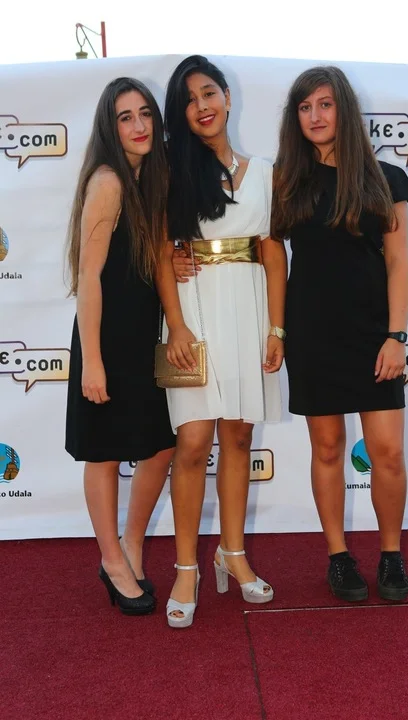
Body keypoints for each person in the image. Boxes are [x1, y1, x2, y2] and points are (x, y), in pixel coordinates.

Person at [272, 66, 408, 602]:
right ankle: (337, 557)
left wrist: (396, 335)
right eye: (305, 107)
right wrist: (277, 329)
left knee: (389, 452)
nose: (315, 116)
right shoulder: (286, 181)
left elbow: (398, 263)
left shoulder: (385, 179)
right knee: (328, 447)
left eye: (325, 104)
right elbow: (270, 258)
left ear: (344, 110)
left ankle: (391, 555)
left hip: (373, 333)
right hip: (312, 332)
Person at [159, 55, 287, 628]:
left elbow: (273, 253)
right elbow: (161, 252)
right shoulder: (172, 172)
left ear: (228, 98)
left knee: (238, 436)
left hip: (251, 310)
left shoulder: (265, 173)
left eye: (209, 92)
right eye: (189, 100)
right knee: (192, 443)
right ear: (181, 114)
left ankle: (231, 555)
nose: (202, 106)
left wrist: (277, 328)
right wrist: (177, 326)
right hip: (193, 313)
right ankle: (186, 567)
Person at [65, 77, 176, 615]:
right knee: (104, 452)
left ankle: (131, 543)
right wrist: (92, 360)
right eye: (125, 117)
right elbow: (88, 276)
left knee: (160, 445)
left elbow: (145, 260)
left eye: (145, 114)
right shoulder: (108, 181)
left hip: (139, 339)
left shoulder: (146, 181)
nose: (138, 126)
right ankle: (112, 560)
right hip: (105, 340)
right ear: (110, 129)